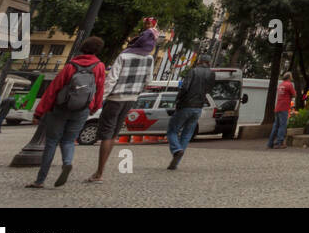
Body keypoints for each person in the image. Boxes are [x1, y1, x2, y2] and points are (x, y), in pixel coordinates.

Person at [27, 37, 106, 189]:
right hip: (82, 108)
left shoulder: (71, 65)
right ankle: (67, 163)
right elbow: (100, 88)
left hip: (61, 107)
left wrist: (39, 112)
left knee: (51, 142)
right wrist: (95, 106)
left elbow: (54, 88)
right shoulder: (100, 66)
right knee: (69, 140)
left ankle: (40, 180)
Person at [86, 22, 157, 184]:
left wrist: (99, 100)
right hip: (130, 99)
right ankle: (99, 171)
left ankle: (99, 172)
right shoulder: (149, 59)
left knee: (106, 134)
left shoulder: (124, 56)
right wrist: (137, 92)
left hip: (115, 98)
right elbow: (149, 81)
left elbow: (112, 79)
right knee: (114, 134)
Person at [167, 56, 215, 169]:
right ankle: (177, 161)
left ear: (199, 61)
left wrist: (178, 100)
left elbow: (185, 88)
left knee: (172, 130)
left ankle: (176, 149)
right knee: (187, 134)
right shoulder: (212, 74)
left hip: (186, 105)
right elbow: (209, 90)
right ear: (209, 63)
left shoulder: (193, 71)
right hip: (198, 107)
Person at [267, 71, 296, 149]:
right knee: (282, 126)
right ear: (289, 77)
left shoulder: (281, 85)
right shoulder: (289, 84)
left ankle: (270, 143)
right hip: (284, 107)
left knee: (276, 125)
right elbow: (294, 94)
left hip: (278, 107)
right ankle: (279, 143)